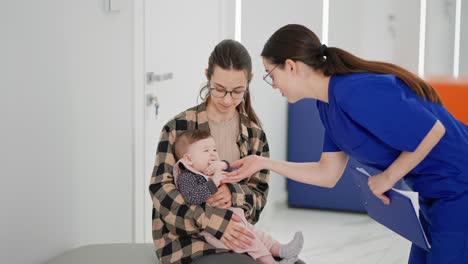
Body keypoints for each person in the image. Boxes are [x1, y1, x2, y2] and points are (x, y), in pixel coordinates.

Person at [224, 24, 468, 264]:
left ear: (290, 66)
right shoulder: (327, 105)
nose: (273, 84)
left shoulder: (355, 89)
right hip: (431, 194)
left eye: (271, 75)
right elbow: (327, 174)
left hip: (458, 185)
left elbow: (434, 130)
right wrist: (262, 162)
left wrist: (389, 177)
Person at [149, 39, 278, 264]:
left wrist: (233, 194)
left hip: (235, 235)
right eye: (219, 89)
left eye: (238, 91)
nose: (228, 100)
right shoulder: (178, 128)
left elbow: (258, 197)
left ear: (249, 82)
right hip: (186, 241)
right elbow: (161, 191)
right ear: (208, 75)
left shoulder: (255, 135)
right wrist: (213, 222)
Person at [172, 130, 303, 264]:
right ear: (188, 159)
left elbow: (237, 174)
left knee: (259, 235)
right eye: (206, 151)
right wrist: (213, 182)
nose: (213, 154)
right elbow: (193, 197)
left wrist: (223, 165)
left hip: (237, 218)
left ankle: (281, 250)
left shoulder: (213, 170)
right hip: (216, 228)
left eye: (214, 149)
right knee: (251, 243)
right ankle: (271, 262)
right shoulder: (186, 177)